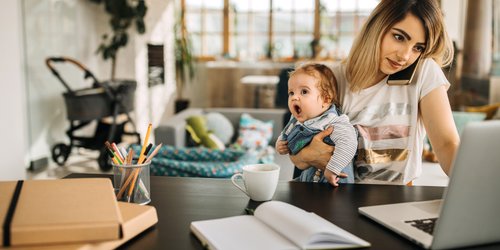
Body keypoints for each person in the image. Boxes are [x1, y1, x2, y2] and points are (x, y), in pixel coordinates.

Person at [290, 0, 460, 185]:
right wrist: (305, 155)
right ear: (376, 27)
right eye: (399, 37)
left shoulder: (424, 72)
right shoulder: (332, 78)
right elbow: (297, 147)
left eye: (418, 48)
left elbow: (447, 145)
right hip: (338, 195)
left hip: (398, 199)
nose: (404, 56)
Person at [275, 63, 357, 186]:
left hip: (334, 181)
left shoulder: (333, 122)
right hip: (308, 178)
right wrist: (280, 143)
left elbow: (349, 144)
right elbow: (285, 133)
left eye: (304, 91)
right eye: (291, 93)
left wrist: (333, 169)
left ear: (326, 100)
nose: (294, 97)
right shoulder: (296, 120)